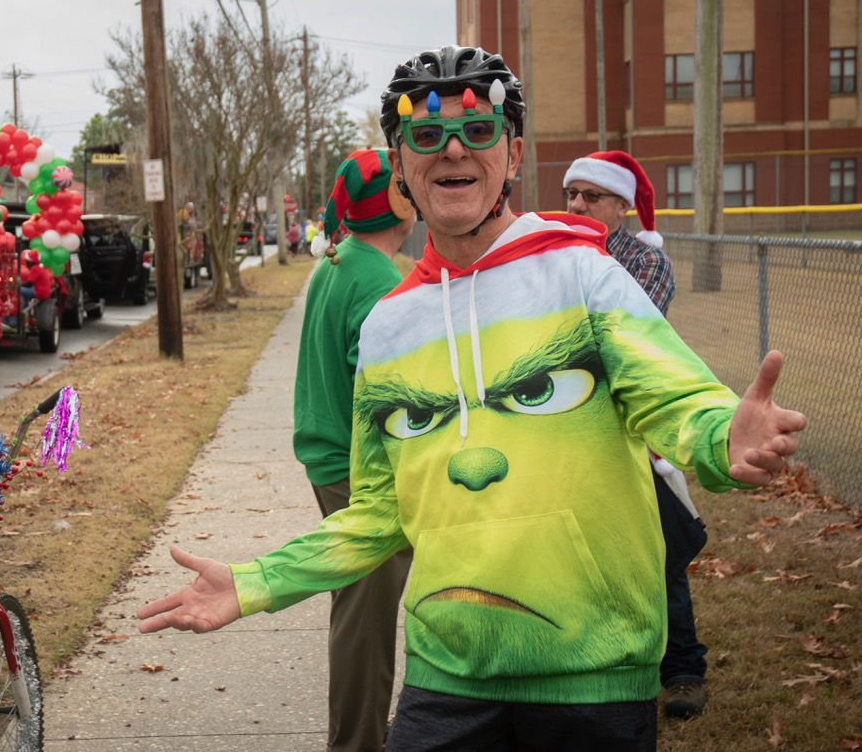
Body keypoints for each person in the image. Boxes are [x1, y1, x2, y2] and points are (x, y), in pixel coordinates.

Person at [137, 46, 806, 751]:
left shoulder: (584, 276)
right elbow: (377, 514)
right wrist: (256, 582)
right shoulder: (389, 326)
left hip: (595, 675)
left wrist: (719, 439)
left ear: (513, 156)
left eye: (477, 130)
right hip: (445, 679)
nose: (452, 148)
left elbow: (675, 402)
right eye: (425, 137)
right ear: (401, 167)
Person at [563, 150, 710, 717]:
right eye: (571, 194)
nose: (578, 205)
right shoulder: (557, 253)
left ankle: (683, 672)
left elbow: (616, 341)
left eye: (591, 196)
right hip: (569, 439)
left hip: (630, 438)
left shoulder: (644, 264)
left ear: (622, 205)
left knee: (660, 555)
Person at [296, 149, 417, 752]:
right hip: (363, 473)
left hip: (330, 461)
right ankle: (358, 744)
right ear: (400, 202)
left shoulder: (339, 262)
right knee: (366, 622)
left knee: (360, 606)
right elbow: (386, 396)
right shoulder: (381, 282)